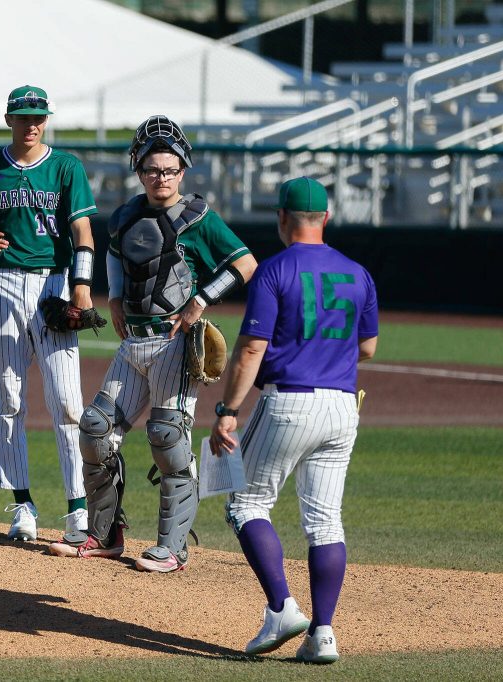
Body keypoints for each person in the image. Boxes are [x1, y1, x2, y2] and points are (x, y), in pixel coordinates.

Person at [48, 115, 257, 572]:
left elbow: (245, 262)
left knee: (167, 438)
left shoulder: (199, 217)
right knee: (95, 429)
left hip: (174, 342)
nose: (160, 178)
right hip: (134, 344)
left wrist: (201, 299)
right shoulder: (125, 216)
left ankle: (173, 547)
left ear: (183, 170)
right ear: (138, 170)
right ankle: (104, 536)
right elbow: (115, 254)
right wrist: (116, 298)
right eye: (151, 169)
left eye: (169, 169)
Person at [209, 177, 378, 663]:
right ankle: (323, 633)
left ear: (281, 218)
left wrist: (228, 412)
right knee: (325, 521)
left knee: (245, 504)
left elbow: (252, 348)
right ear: (326, 218)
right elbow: (366, 347)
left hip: (288, 402)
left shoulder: (273, 271)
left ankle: (282, 608)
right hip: (343, 405)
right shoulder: (357, 273)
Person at [0, 85, 96, 542]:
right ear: (9, 119)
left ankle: (78, 507)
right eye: (24, 116)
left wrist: (82, 286)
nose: (32, 124)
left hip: (53, 285)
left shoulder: (65, 166)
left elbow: (82, 229)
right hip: (3, 284)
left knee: (67, 400)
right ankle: (22, 504)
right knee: (9, 397)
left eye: (39, 116)